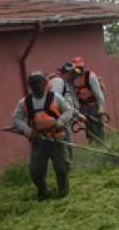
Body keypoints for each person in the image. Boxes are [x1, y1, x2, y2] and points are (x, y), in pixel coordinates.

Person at [12, 70, 74, 200]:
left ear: (44, 83)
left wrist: (60, 121)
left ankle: (63, 190)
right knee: (36, 171)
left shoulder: (55, 97)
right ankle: (43, 190)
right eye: (33, 84)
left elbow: (69, 110)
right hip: (38, 141)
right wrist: (27, 130)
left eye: (38, 83)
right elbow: (16, 119)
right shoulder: (24, 102)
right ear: (30, 86)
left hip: (56, 138)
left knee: (61, 168)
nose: (36, 86)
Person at [65, 56, 107, 143]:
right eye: (76, 68)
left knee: (97, 126)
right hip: (83, 106)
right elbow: (73, 96)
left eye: (80, 67)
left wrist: (101, 108)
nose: (78, 70)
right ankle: (92, 142)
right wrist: (77, 109)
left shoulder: (90, 75)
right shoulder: (72, 78)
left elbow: (98, 93)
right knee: (88, 127)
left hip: (94, 105)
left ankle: (102, 143)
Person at [48, 62, 78, 159]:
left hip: (65, 117)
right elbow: (55, 101)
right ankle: (67, 162)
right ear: (68, 73)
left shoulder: (63, 82)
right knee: (64, 141)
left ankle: (70, 161)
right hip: (60, 118)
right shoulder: (58, 81)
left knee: (68, 139)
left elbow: (65, 100)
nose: (74, 76)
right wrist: (63, 116)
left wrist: (75, 112)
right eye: (72, 73)